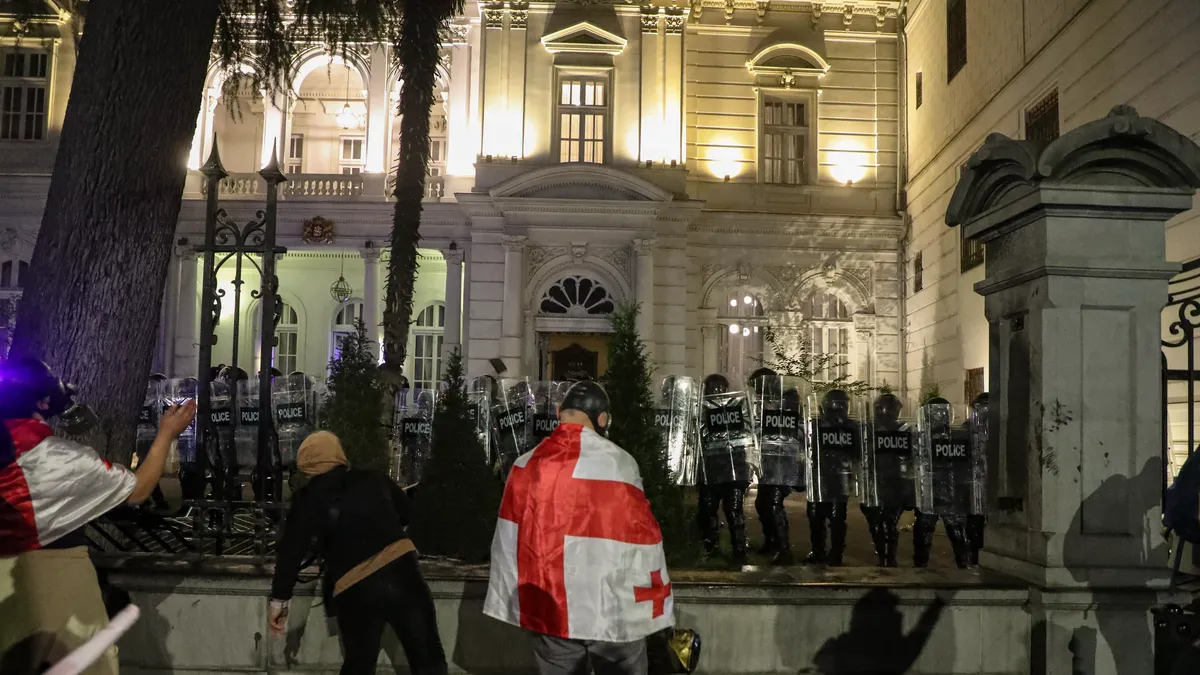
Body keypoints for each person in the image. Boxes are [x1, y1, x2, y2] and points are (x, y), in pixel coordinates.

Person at [0, 357, 197, 675]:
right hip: (54, 583)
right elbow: (138, 490)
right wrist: (167, 434)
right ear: (45, 400)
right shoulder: (55, 458)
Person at [484, 380, 675, 675]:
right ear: (602, 419)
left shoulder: (524, 465)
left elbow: (508, 539)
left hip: (551, 608)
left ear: (560, 412)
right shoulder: (619, 462)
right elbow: (642, 539)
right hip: (610, 606)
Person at [268, 431, 447, 675]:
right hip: (403, 575)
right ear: (339, 455)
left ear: (306, 466)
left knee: (359, 665)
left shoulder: (306, 500)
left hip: (354, 588)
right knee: (429, 662)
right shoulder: (375, 479)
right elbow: (406, 513)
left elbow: (290, 554)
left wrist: (279, 601)